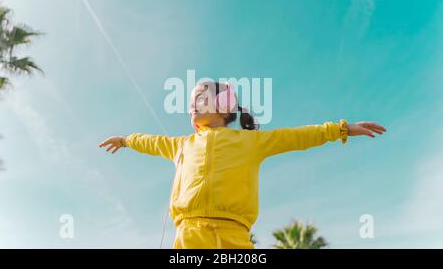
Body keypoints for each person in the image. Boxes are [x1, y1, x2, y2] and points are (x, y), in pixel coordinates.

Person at [99, 81, 387, 248]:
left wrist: (341, 129)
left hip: (235, 236)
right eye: (190, 101)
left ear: (224, 106)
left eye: (200, 97)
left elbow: (298, 136)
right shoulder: (180, 145)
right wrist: (126, 140)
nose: (192, 104)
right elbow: (148, 141)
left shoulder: (251, 142)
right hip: (189, 235)